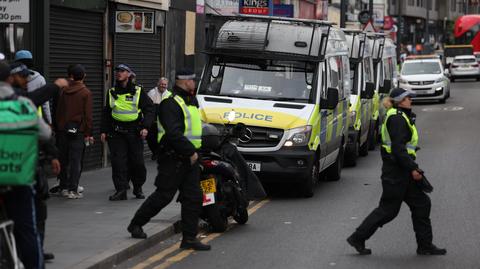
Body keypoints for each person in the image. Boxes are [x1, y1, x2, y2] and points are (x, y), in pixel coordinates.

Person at [347, 88, 446, 256]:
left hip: (400, 171)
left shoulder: (400, 116)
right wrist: (413, 169)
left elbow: (402, 147)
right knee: (388, 210)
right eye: (408, 98)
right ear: (400, 101)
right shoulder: (397, 119)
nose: (411, 100)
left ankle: (425, 245)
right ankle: (358, 237)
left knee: (421, 204)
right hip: (396, 173)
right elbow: (399, 150)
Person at [127, 68, 210, 251]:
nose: (194, 83)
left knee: (193, 198)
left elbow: (196, 130)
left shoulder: (192, 102)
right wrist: (191, 151)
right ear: (184, 81)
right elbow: (173, 133)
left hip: (191, 159)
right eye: (192, 80)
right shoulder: (170, 104)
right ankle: (136, 224)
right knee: (163, 196)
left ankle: (189, 238)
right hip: (173, 159)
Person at [0, 61, 54, 269]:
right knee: (27, 231)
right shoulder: (24, 105)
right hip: (18, 179)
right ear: (9, 79)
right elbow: (46, 134)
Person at [101, 64, 154, 201]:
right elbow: (106, 113)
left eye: (122, 71)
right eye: (117, 71)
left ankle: (138, 187)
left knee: (137, 163)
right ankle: (121, 190)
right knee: (118, 163)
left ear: (129, 74)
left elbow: (149, 109)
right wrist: (103, 131)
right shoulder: (111, 91)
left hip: (134, 132)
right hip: (116, 133)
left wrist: (145, 127)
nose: (119, 73)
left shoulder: (138, 91)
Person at [54, 64, 93, 199]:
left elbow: (58, 110)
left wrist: (58, 127)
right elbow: (87, 115)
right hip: (78, 131)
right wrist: (88, 133)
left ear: (71, 76)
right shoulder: (86, 92)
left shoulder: (63, 90)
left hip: (62, 130)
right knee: (76, 161)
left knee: (63, 159)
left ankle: (63, 187)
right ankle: (73, 189)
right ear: (83, 76)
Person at [14, 50, 52, 125]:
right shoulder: (40, 79)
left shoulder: (12, 78)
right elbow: (45, 104)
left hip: (15, 119)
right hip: (35, 119)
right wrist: (49, 121)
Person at [146, 77, 171, 159]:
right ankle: (155, 152)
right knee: (150, 138)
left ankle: (160, 153)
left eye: (165, 84)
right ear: (158, 84)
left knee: (163, 138)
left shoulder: (169, 95)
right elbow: (147, 107)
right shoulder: (151, 93)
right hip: (153, 120)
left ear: (167, 85)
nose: (163, 86)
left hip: (164, 121)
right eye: (161, 84)